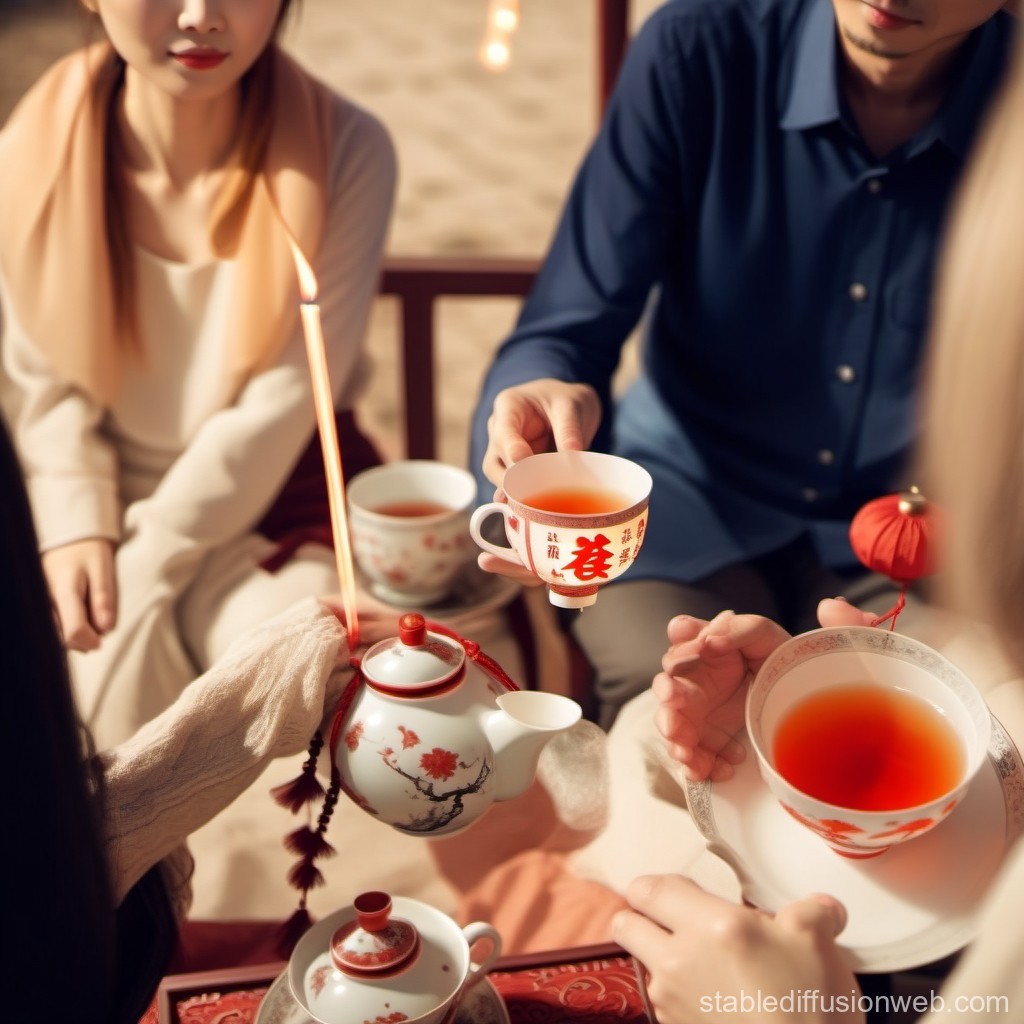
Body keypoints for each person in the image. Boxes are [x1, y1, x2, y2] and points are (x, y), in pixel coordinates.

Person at [611, 17, 1024, 1022]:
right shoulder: (699, 51)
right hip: (696, 499)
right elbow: (571, 308)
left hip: (894, 550)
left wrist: (799, 1013)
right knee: (644, 710)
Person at [469, 0, 1018, 730]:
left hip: (925, 519)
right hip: (683, 493)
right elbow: (567, 327)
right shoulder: (694, 49)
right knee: (661, 692)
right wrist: (538, 401)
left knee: (941, 729)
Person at [0, 0, 394, 748]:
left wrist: (152, 556)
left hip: (274, 491)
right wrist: (76, 513)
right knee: (82, 696)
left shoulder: (347, 149)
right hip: (100, 495)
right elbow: (45, 383)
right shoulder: (26, 154)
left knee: (309, 673)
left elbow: (284, 399)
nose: (200, 15)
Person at [1, 402, 356, 1024]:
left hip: (256, 500)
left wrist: (154, 548)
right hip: (98, 514)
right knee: (105, 672)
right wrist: (80, 519)